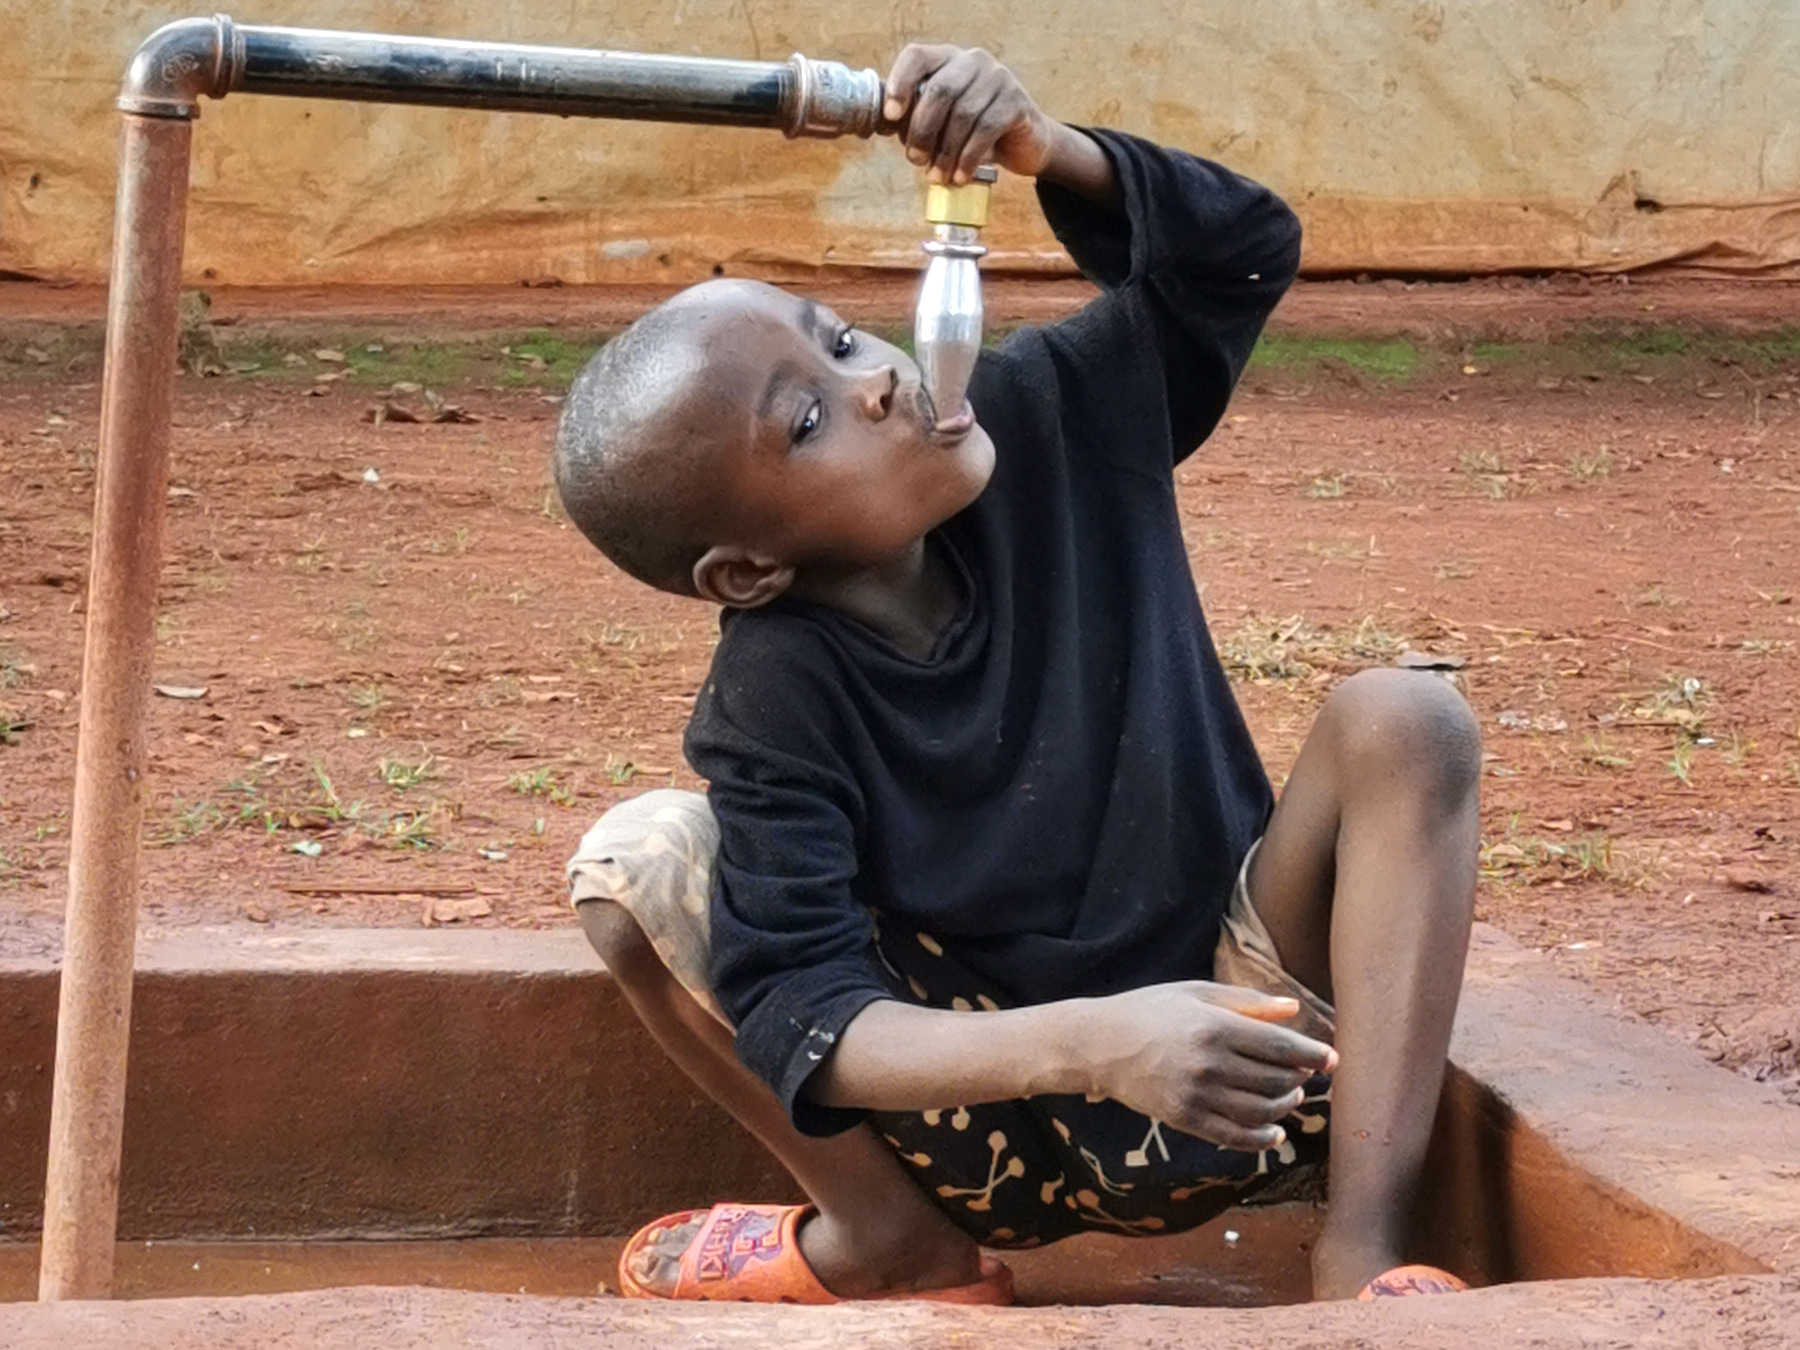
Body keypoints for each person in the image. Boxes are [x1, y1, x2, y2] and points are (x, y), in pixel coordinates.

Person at [553, 42, 1481, 1306]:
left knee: (1407, 719)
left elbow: (1241, 250)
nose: (877, 380)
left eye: (842, 339)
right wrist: (1094, 1043)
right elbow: (802, 1008)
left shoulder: (1046, 413)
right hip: (994, 1122)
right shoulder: (774, 699)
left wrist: (1052, 150)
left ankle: (1363, 1246)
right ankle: (892, 1244)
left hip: (1247, 1053)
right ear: (747, 571)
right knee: (637, 863)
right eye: (808, 418)